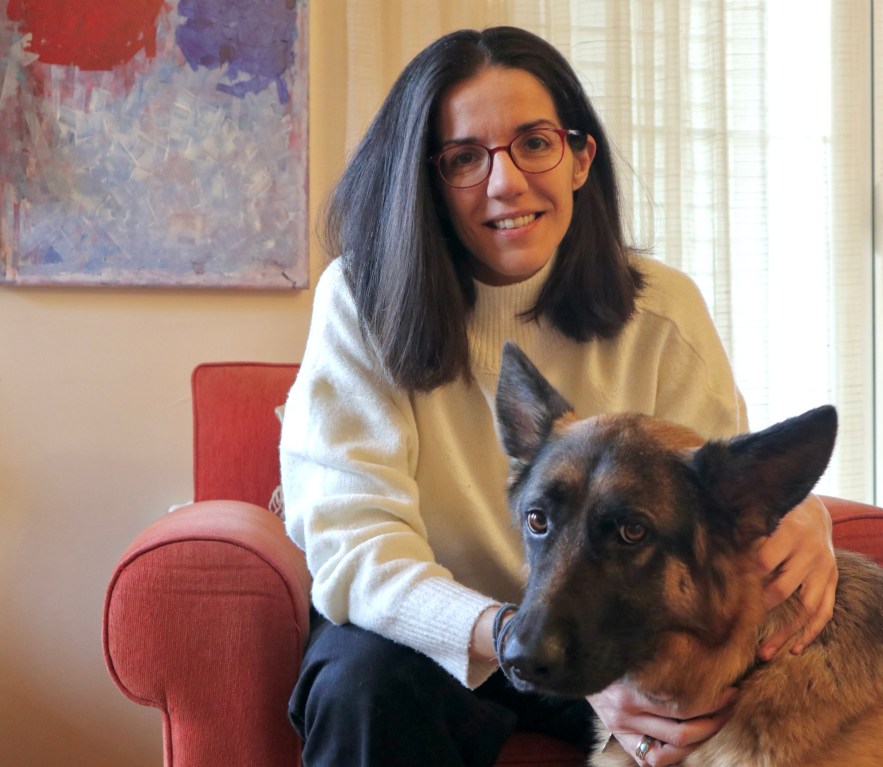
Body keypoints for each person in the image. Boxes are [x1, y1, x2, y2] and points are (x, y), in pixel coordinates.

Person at [279, 25, 840, 767]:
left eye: (535, 143)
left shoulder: (664, 309)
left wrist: (804, 513)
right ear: (426, 181)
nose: (506, 183)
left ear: (580, 159)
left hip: (604, 629)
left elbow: (714, 501)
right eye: (465, 158)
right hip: (425, 637)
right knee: (363, 683)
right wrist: (513, 634)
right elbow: (357, 549)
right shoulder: (360, 303)